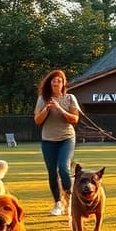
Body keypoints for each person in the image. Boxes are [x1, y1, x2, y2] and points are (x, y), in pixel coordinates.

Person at [34, 69, 80, 216]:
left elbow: (74, 119)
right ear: (50, 82)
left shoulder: (70, 98)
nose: (56, 82)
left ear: (63, 83)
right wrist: (47, 109)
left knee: (64, 168)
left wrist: (60, 108)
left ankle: (69, 199)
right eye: (53, 80)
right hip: (48, 140)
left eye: (59, 80)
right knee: (52, 173)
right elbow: (37, 120)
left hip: (66, 138)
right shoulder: (43, 98)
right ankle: (57, 204)